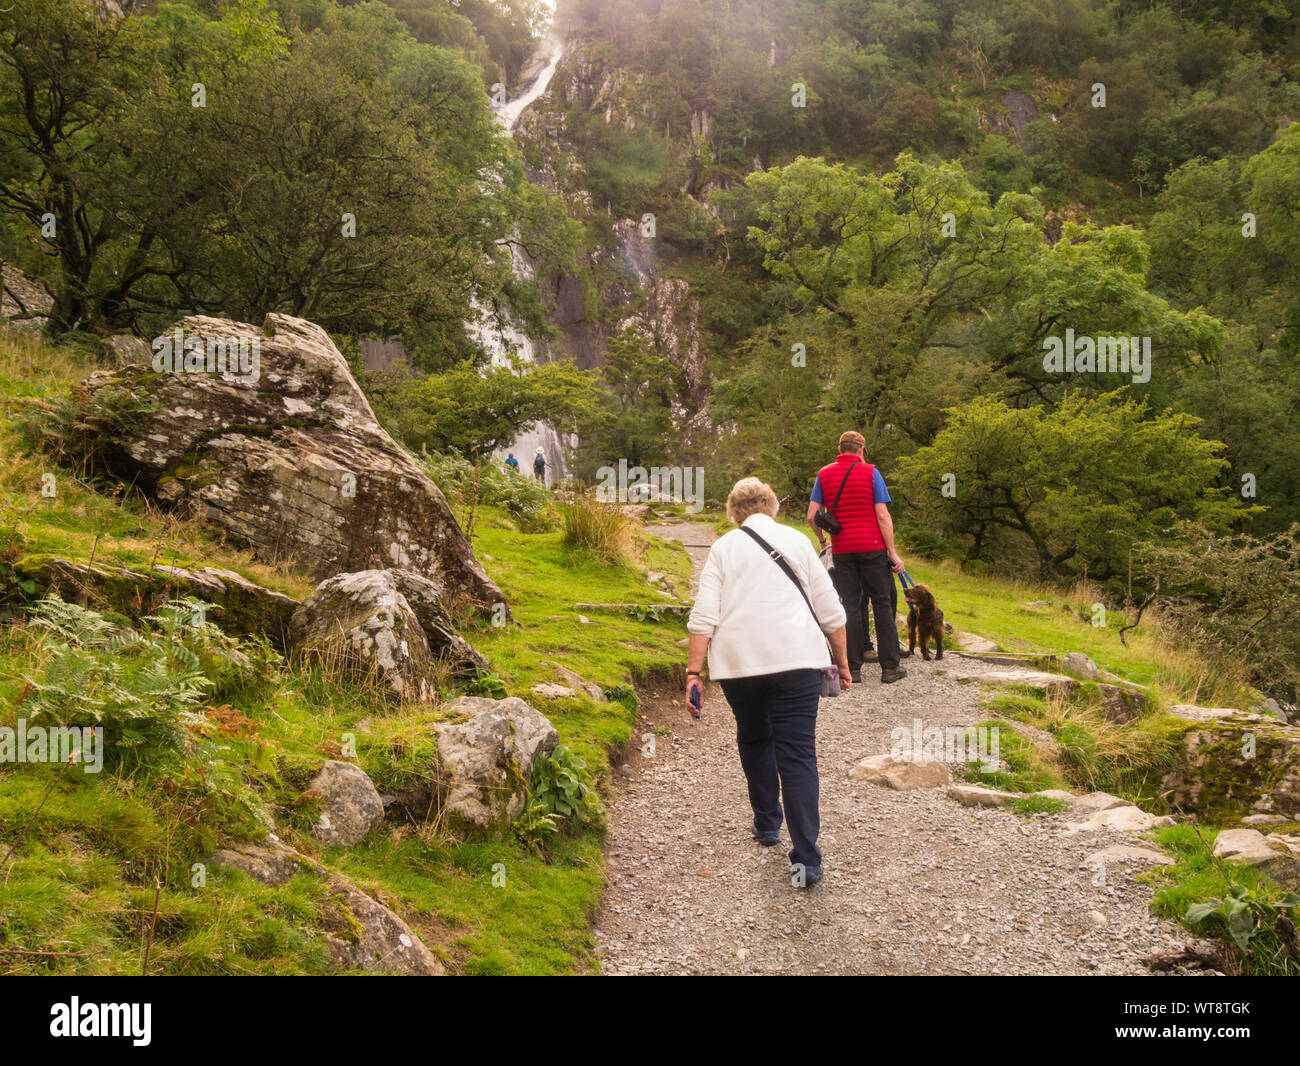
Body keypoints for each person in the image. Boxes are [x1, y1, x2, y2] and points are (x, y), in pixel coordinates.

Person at [686, 477, 851, 888]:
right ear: (773, 507)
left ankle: (766, 824)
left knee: (755, 737)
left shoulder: (724, 548)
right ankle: (807, 860)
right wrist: (843, 664)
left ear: (734, 512)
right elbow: (831, 611)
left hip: (740, 665)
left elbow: (704, 615)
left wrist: (693, 673)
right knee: (797, 753)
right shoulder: (797, 541)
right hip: (797, 660)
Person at [806, 431, 907, 685]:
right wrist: (892, 552)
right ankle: (890, 668)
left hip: (842, 550)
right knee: (882, 603)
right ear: (861, 450)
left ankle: (854, 668)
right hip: (872, 547)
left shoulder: (824, 474)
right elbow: (883, 515)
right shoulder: (871, 472)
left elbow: (811, 515)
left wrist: (823, 539)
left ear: (839, 450)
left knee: (850, 604)